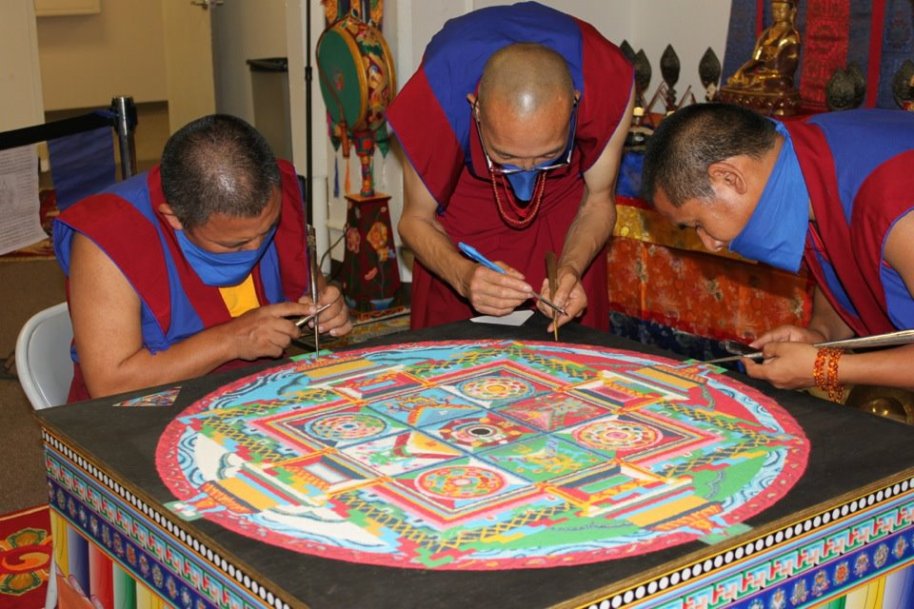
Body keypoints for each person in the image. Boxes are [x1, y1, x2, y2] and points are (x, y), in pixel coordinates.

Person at [53, 114, 352, 402]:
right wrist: (231, 340)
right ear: (174, 218)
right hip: (151, 409)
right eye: (236, 243)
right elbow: (110, 386)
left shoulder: (272, 194)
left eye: (269, 228)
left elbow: (306, 285)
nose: (257, 247)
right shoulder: (109, 238)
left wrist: (323, 310)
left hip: (258, 389)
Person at [387, 1, 634, 332]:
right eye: (506, 158)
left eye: (548, 155)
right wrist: (463, 277)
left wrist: (572, 268)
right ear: (474, 108)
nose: (525, 185)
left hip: (562, 209)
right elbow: (415, 220)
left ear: (575, 103)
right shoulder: (439, 88)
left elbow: (598, 201)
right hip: (468, 214)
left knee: (569, 352)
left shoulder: (606, 78)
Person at [640, 102, 914, 395]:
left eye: (698, 223)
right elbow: (842, 254)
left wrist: (826, 367)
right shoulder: (801, 159)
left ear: (728, 178)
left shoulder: (894, 207)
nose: (712, 243)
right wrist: (822, 334)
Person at [726, 0, 800, 93]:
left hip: (779, 77)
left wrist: (774, 73)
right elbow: (756, 60)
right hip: (763, 74)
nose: (777, 13)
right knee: (743, 79)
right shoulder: (765, 34)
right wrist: (740, 71)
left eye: (781, 10)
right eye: (774, 9)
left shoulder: (792, 35)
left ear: (791, 11)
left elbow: (791, 64)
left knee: (779, 83)